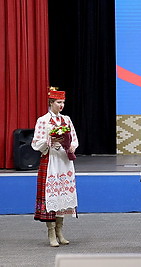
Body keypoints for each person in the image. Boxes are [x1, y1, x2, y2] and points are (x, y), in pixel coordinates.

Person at [31, 87, 78, 247]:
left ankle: (60, 231)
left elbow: (74, 138)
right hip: (51, 160)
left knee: (62, 197)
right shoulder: (42, 120)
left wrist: (72, 146)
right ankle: (51, 232)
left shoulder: (67, 119)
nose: (61, 105)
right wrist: (50, 141)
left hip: (64, 161)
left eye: (63, 102)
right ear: (51, 102)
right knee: (51, 196)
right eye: (59, 102)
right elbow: (36, 143)